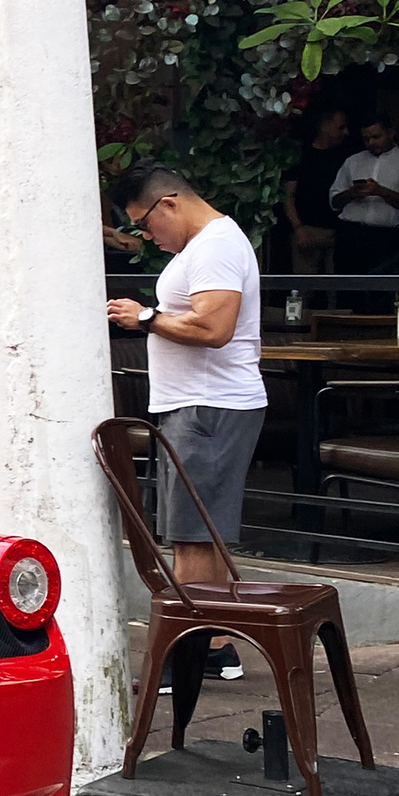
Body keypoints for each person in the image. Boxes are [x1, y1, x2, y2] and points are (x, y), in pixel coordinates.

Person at [106, 160, 265, 683]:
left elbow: (215, 326)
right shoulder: (211, 244)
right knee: (201, 535)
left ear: (168, 203)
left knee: (192, 539)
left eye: (147, 224)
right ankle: (214, 647)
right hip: (203, 404)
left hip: (208, 405)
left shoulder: (216, 246)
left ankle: (185, 657)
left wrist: (145, 317)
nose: (148, 236)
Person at [330, 116, 399, 274]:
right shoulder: (352, 161)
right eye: (366, 139)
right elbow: (334, 201)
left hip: (387, 236)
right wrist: (351, 193)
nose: (371, 143)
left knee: (382, 292)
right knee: (347, 290)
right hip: (351, 234)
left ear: (391, 133)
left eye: (376, 137)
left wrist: (380, 191)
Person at [282, 108, 352, 273]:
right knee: (303, 286)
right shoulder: (300, 155)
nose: (346, 132)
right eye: (340, 127)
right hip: (308, 230)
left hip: (338, 231)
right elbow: (288, 196)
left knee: (338, 289)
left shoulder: (345, 157)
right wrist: (298, 228)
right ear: (325, 126)